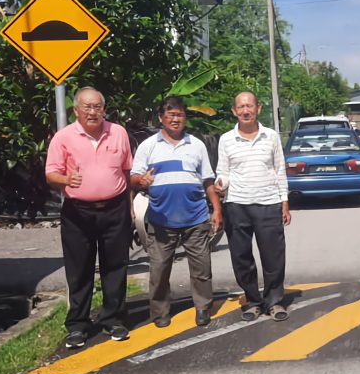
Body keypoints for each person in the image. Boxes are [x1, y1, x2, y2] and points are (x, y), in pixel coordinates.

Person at [45, 87, 132, 349]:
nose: (92, 112)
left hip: (115, 209)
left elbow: (127, 171)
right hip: (78, 212)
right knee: (79, 269)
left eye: (97, 107)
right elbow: (51, 174)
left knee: (115, 266)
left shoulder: (118, 132)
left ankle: (113, 319)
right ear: (76, 111)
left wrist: (128, 207)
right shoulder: (63, 138)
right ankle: (78, 325)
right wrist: (66, 179)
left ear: (104, 109)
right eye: (87, 107)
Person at [131, 96, 223, 328]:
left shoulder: (197, 145)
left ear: (185, 118)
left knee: (201, 268)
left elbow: (208, 179)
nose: (175, 119)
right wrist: (142, 180)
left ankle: (203, 307)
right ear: (161, 118)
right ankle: (160, 312)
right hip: (161, 218)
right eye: (171, 115)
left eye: (180, 114)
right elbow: (133, 178)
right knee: (159, 270)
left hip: (196, 217)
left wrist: (217, 209)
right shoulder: (149, 146)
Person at [215, 92, 291, 322]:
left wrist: (284, 202)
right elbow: (223, 171)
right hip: (236, 205)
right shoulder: (226, 139)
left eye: (249, 106)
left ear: (258, 108)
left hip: (269, 204)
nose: (245, 110)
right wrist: (221, 183)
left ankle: (274, 301)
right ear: (234, 111)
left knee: (273, 257)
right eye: (240, 107)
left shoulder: (271, 137)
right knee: (241, 257)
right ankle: (253, 301)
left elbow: (280, 170)